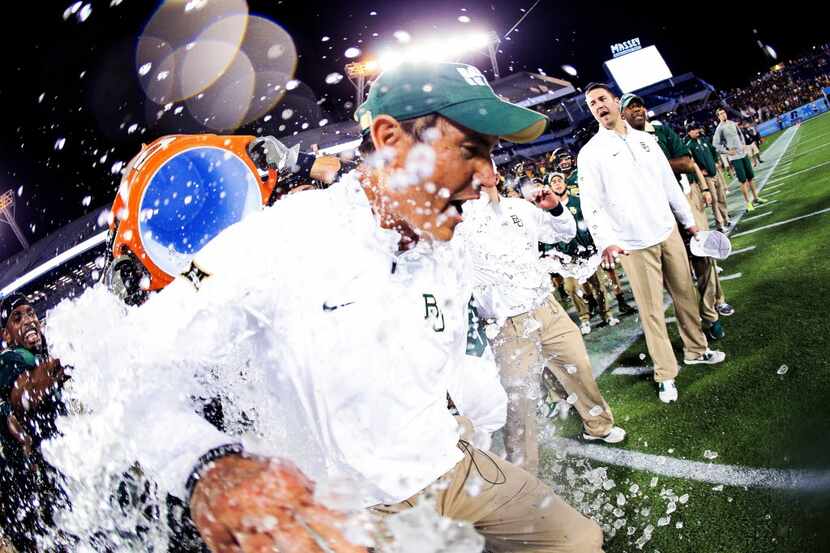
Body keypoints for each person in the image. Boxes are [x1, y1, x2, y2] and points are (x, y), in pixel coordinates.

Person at [47, 62, 605, 553]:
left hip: (452, 467)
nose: (488, 178)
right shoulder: (284, 240)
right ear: (390, 140)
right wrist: (206, 465)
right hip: (351, 512)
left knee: (576, 540)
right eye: (470, 149)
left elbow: (441, 357)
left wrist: (473, 413)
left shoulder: (443, 244)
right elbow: (113, 367)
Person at [457, 169, 626, 473]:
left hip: (546, 307)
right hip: (506, 324)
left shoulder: (518, 207)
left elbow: (564, 232)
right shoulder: (460, 219)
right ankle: (525, 472)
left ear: (496, 174)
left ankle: (597, 425)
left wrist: (555, 209)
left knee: (579, 368)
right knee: (519, 404)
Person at [578, 83, 725, 404]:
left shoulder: (647, 140)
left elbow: (669, 186)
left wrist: (688, 223)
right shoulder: (590, 153)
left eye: (602, 99)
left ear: (616, 102)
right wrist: (607, 242)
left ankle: (696, 350)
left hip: (667, 230)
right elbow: (591, 205)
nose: (598, 106)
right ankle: (665, 374)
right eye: (591, 104)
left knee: (686, 294)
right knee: (652, 312)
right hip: (632, 243)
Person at [619, 94, 733, 340]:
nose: (637, 109)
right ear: (622, 115)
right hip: (654, 214)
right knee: (677, 274)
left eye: (639, 104)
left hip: (683, 201)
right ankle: (695, 325)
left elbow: (685, 161)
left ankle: (711, 315)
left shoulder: (660, 130)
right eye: (630, 107)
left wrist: (652, 163)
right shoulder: (620, 142)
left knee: (704, 258)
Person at [0, 293, 71, 552]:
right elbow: (24, 396)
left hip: (50, 483)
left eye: (30, 313)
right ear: (6, 335)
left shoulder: (42, 358)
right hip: (29, 497)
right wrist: (67, 361)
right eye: (17, 318)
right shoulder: (10, 360)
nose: (28, 319)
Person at [553, 148, 636, 317]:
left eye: (566, 159)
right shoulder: (557, 182)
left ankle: (620, 299)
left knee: (608, 264)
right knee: (584, 269)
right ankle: (592, 301)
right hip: (576, 230)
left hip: (593, 223)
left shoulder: (581, 174)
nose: (564, 162)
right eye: (560, 160)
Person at [543, 173, 621, 335]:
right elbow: (547, 234)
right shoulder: (548, 209)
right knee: (571, 288)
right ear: (550, 187)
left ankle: (606, 314)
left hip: (588, 253)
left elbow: (593, 224)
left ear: (565, 183)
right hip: (568, 257)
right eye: (553, 182)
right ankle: (584, 318)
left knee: (598, 286)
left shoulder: (578, 202)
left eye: (559, 181)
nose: (557, 184)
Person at [712, 107, 768, 212]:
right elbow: (715, 145)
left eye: (724, 112)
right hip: (735, 158)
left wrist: (743, 144)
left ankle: (756, 198)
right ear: (718, 117)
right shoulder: (719, 129)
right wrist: (727, 151)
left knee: (751, 177)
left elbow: (740, 134)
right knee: (743, 181)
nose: (723, 115)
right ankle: (748, 203)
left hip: (743, 154)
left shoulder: (732, 123)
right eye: (720, 114)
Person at [686, 124, 731, 233]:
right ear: (689, 133)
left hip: (715, 173)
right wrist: (700, 171)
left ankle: (726, 219)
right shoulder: (689, 146)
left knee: (722, 197)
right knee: (714, 200)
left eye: (696, 128)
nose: (696, 130)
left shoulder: (704, 140)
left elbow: (713, 151)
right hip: (706, 178)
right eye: (693, 129)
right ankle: (719, 224)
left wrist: (716, 161)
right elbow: (692, 163)